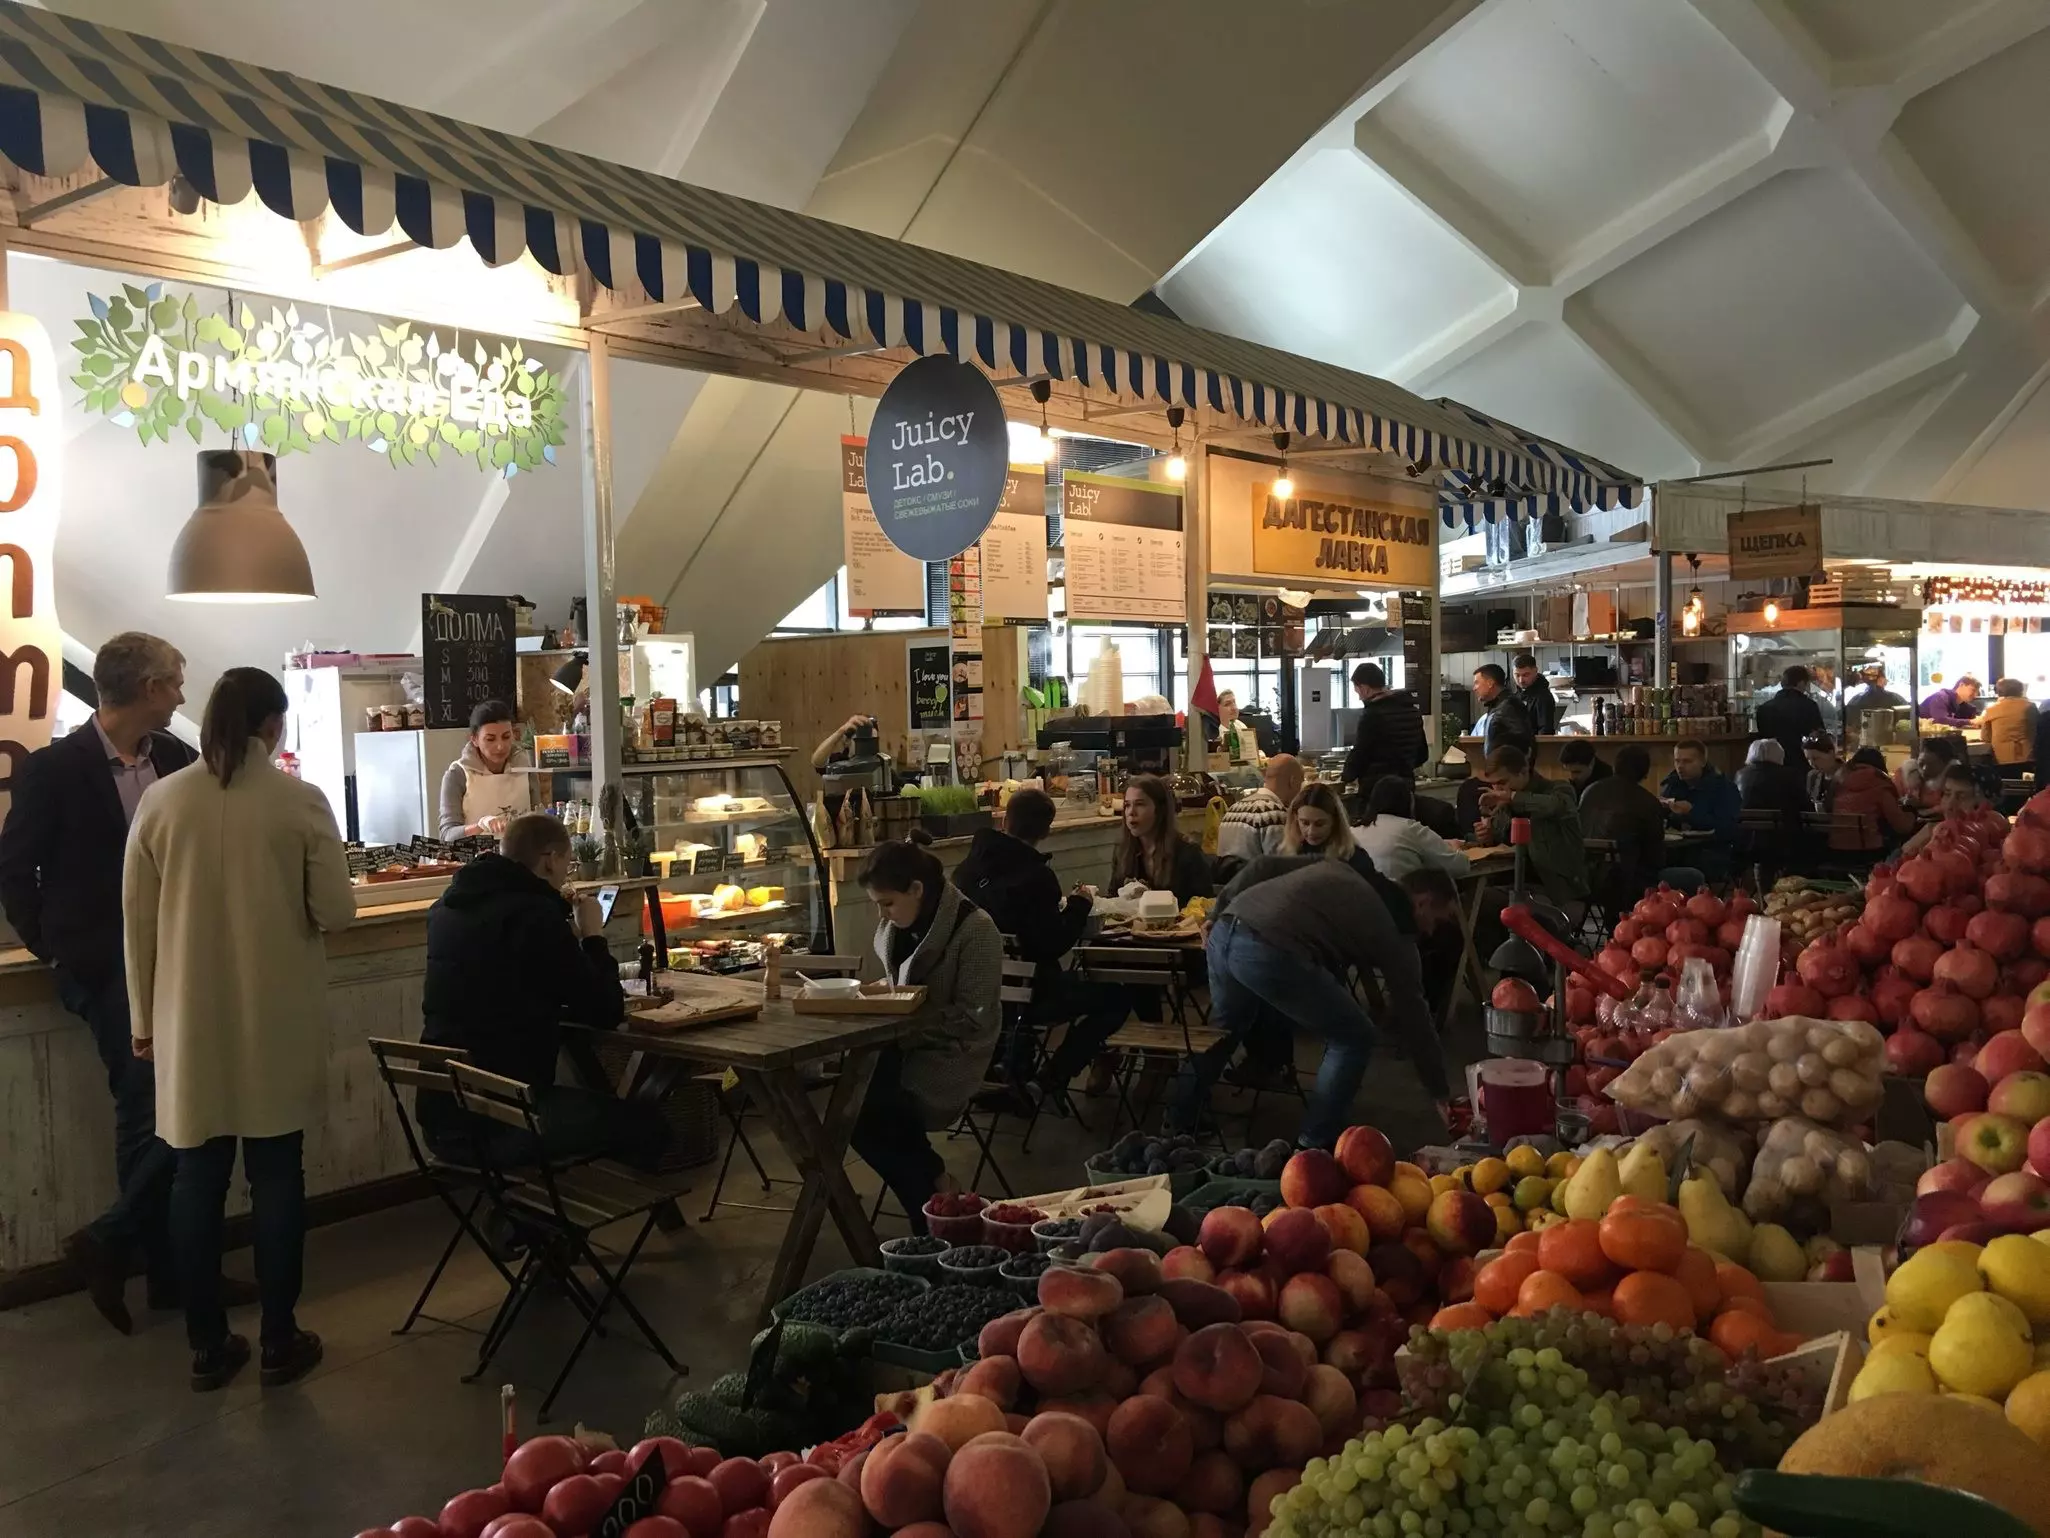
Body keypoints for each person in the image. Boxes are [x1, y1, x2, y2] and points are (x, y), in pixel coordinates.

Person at [123, 667, 357, 1392]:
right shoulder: (299, 802)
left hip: (186, 1021)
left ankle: (206, 1347)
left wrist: (141, 1019)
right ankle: (282, 1340)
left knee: (196, 1179)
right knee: (278, 1175)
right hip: (275, 1018)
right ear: (272, 726)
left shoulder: (162, 802)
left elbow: (135, 923)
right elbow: (337, 911)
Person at [0, 631, 226, 1336]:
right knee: (144, 1108)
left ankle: (135, 1252)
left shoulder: (181, 759)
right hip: (105, 965)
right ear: (150, 688)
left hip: (180, 958)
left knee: (188, 1103)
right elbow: (14, 871)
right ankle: (157, 1265)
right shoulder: (55, 769)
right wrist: (58, 953)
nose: (185, 695)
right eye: (177, 682)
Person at [417, 813, 661, 1168]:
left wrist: (564, 944)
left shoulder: (445, 910)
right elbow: (605, 1011)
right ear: (549, 860)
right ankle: (549, 1218)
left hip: (440, 1113)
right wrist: (593, 937)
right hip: (507, 1119)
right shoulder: (534, 916)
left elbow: (503, 981)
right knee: (649, 1124)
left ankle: (532, 1212)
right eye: (568, 863)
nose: (567, 873)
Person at [1171, 856, 1450, 1148]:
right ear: (1423, 902)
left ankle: (1180, 1118)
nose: (1431, 932)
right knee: (1354, 1036)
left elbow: (1263, 865)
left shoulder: (1347, 866)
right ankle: (1315, 1143)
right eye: (1438, 920)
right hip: (1267, 948)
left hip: (1225, 928)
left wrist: (1218, 910)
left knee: (1226, 1027)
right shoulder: (1395, 935)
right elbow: (1415, 1017)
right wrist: (1440, 1092)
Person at [849, 836, 1002, 1228]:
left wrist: (907, 1018)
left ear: (917, 889)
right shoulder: (897, 926)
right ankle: (935, 1191)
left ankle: (930, 1207)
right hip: (903, 1045)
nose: (883, 915)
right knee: (853, 1110)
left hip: (953, 1052)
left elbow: (975, 1014)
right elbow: (897, 984)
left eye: (887, 903)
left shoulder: (976, 930)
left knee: (865, 1113)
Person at [957, 789, 1129, 1114]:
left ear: (1004, 820)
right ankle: (1047, 1081)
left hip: (978, 995)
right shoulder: (1036, 877)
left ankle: (1007, 1069)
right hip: (1032, 997)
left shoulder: (965, 872)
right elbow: (1053, 944)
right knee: (1116, 998)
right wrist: (1079, 905)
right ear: (1046, 832)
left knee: (1028, 990)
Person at [1475, 745, 1586, 907]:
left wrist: (1513, 797)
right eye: (1493, 785)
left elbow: (1555, 806)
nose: (1497, 790)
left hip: (1554, 889)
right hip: (1513, 882)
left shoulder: (1558, 790)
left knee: (1485, 904)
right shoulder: (1504, 802)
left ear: (1523, 771)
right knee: (1471, 899)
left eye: (1502, 782)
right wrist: (1487, 836)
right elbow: (1500, 842)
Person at [1577, 744, 1669, 908]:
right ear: (1645, 772)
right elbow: (1656, 857)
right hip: (1629, 883)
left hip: (1584, 879)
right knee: (1691, 876)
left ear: (1615, 766)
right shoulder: (1647, 802)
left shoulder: (1589, 791)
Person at [437, 698, 535, 840]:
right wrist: (481, 825)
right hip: (476, 859)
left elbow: (538, 820)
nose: (500, 746)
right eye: (490, 739)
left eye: (506, 737)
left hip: (520, 857)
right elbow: (448, 835)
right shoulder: (458, 774)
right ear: (474, 739)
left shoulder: (526, 769)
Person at [1109, 774, 1213, 903]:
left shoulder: (1188, 853)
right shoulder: (1122, 850)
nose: (1131, 812)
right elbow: (1113, 898)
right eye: (1127, 805)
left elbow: (1205, 905)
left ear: (1159, 810)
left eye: (1140, 804)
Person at [1354, 777, 1467, 884]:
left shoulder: (1353, 832)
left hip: (1362, 901)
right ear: (1410, 803)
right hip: (1402, 900)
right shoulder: (1410, 829)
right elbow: (1460, 867)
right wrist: (1456, 848)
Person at [1342, 663, 1429, 796]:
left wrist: (1346, 777)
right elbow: (1422, 754)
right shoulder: (1413, 711)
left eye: (1357, 691)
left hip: (1377, 791)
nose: (1359, 697)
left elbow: (1360, 752)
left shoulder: (1372, 715)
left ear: (1364, 688)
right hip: (1406, 789)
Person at [1659, 739, 1742, 878]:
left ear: (1703, 762)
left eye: (1687, 761)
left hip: (1713, 850)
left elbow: (1728, 828)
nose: (1680, 766)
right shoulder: (1673, 785)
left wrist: (1691, 812)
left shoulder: (1723, 788)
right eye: (1677, 761)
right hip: (1677, 849)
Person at [1215, 754, 1304, 863]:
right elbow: (1284, 867)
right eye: (1300, 783)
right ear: (1293, 781)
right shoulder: (1274, 814)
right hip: (1257, 879)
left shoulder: (1231, 811)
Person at [1832, 747, 1916, 854]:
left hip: (1836, 848)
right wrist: (1912, 813)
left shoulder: (1838, 781)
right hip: (1870, 850)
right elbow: (1902, 826)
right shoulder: (1879, 783)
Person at [1901, 764, 1986, 856]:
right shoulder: (1930, 833)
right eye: (1947, 793)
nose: (1950, 804)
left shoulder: (1993, 851)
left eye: (1962, 796)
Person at [1755, 666, 1826, 765]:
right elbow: (1818, 736)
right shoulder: (1808, 706)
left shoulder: (1764, 708)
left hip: (1771, 763)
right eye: (1807, 684)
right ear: (1801, 683)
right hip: (1800, 763)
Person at [1470, 665, 1536, 760]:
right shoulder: (1497, 706)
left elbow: (1521, 746)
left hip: (1510, 772)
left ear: (1490, 683)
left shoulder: (1509, 707)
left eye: (1477, 683)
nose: (1474, 688)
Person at [1979, 678, 2038, 767]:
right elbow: (2038, 730)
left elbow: (1985, 737)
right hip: (2028, 756)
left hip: (2002, 759)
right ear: (2021, 691)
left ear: (1999, 692)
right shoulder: (2030, 707)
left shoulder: (1991, 710)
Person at [1513, 654, 1558, 736]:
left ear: (1535, 671)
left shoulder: (1543, 697)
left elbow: (1545, 732)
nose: (1521, 680)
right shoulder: (1516, 694)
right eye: (1517, 675)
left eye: (1525, 675)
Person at [1843, 666, 1907, 721]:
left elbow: (1849, 722)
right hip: (1888, 734)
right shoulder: (1895, 699)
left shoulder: (1856, 700)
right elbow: (1908, 714)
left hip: (1862, 734)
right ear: (1881, 680)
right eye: (1885, 678)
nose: (1886, 681)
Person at [1802, 733, 1841, 812]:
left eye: (1816, 758)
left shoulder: (1847, 775)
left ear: (1831, 753)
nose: (1812, 764)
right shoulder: (1813, 776)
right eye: (1808, 759)